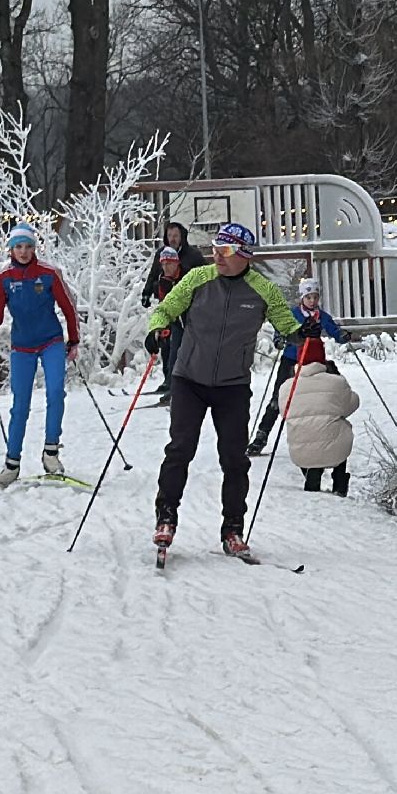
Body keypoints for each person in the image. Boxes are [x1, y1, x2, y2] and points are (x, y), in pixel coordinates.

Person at [145, 222, 306, 559]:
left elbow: (285, 322)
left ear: (245, 255)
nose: (216, 254)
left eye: (226, 249)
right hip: (189, 379)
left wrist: (299, 333)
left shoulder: (262, 289)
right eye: (216, 247)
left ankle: (233, 529)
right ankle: (166, 518)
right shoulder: (198, 278)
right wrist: (157, 328)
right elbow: (165, 308)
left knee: (234, 459)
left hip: (232, 386)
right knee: (180, 450)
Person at [0, 223, 81, 487]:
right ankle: (12, 464)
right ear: (11, 249)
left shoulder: (48, 273)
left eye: (28, 246)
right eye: (18, 247)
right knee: (20, 404)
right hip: (22, 345)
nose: (23, 252)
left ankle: (51, 453)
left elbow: (69, 307)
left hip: (51, 341)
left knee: (56, 393)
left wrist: (74, 339)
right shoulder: (4, 278)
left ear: (35, 248)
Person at [248, 277, 350, 456]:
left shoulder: (322, 317)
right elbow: (281, 331)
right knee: (278, 398)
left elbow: (334, 331)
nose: (312, 301)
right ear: (302, 298)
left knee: (319, 399)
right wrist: (280, 339)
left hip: (314, 362)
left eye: (315, 297)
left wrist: (342, 335)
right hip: (292, 360)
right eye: (308, 297)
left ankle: (321, 435)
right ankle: (261, 437)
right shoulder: (292, 314)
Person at [285, 334, 361, 498]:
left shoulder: (287, 387)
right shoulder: (335, 382)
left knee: (311, 432)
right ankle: (339, 483)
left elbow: (285, 413)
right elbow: (351, 404)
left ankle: (312, 477)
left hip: (301, 452)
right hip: (335, 449)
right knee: (336, 429)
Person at [147, 246, 189, 395]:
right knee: (172, 354)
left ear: (176, 263)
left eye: (169, 263)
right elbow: (164, 303)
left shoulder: (187, 276)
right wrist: (162, 327)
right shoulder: (162, 279)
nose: (166, 267)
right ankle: (172, 387)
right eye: (163, 264)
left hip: (192, 323)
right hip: (177, 322)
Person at [139, 222, 208, 309]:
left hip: (189, 304)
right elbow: (153, 275)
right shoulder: (161, 254)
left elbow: (205, 275)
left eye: (175, 236)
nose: (172, 239)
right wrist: (146, 294)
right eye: (169, 236)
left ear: (181, 237)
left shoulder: (193, 254)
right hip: (165, 301)